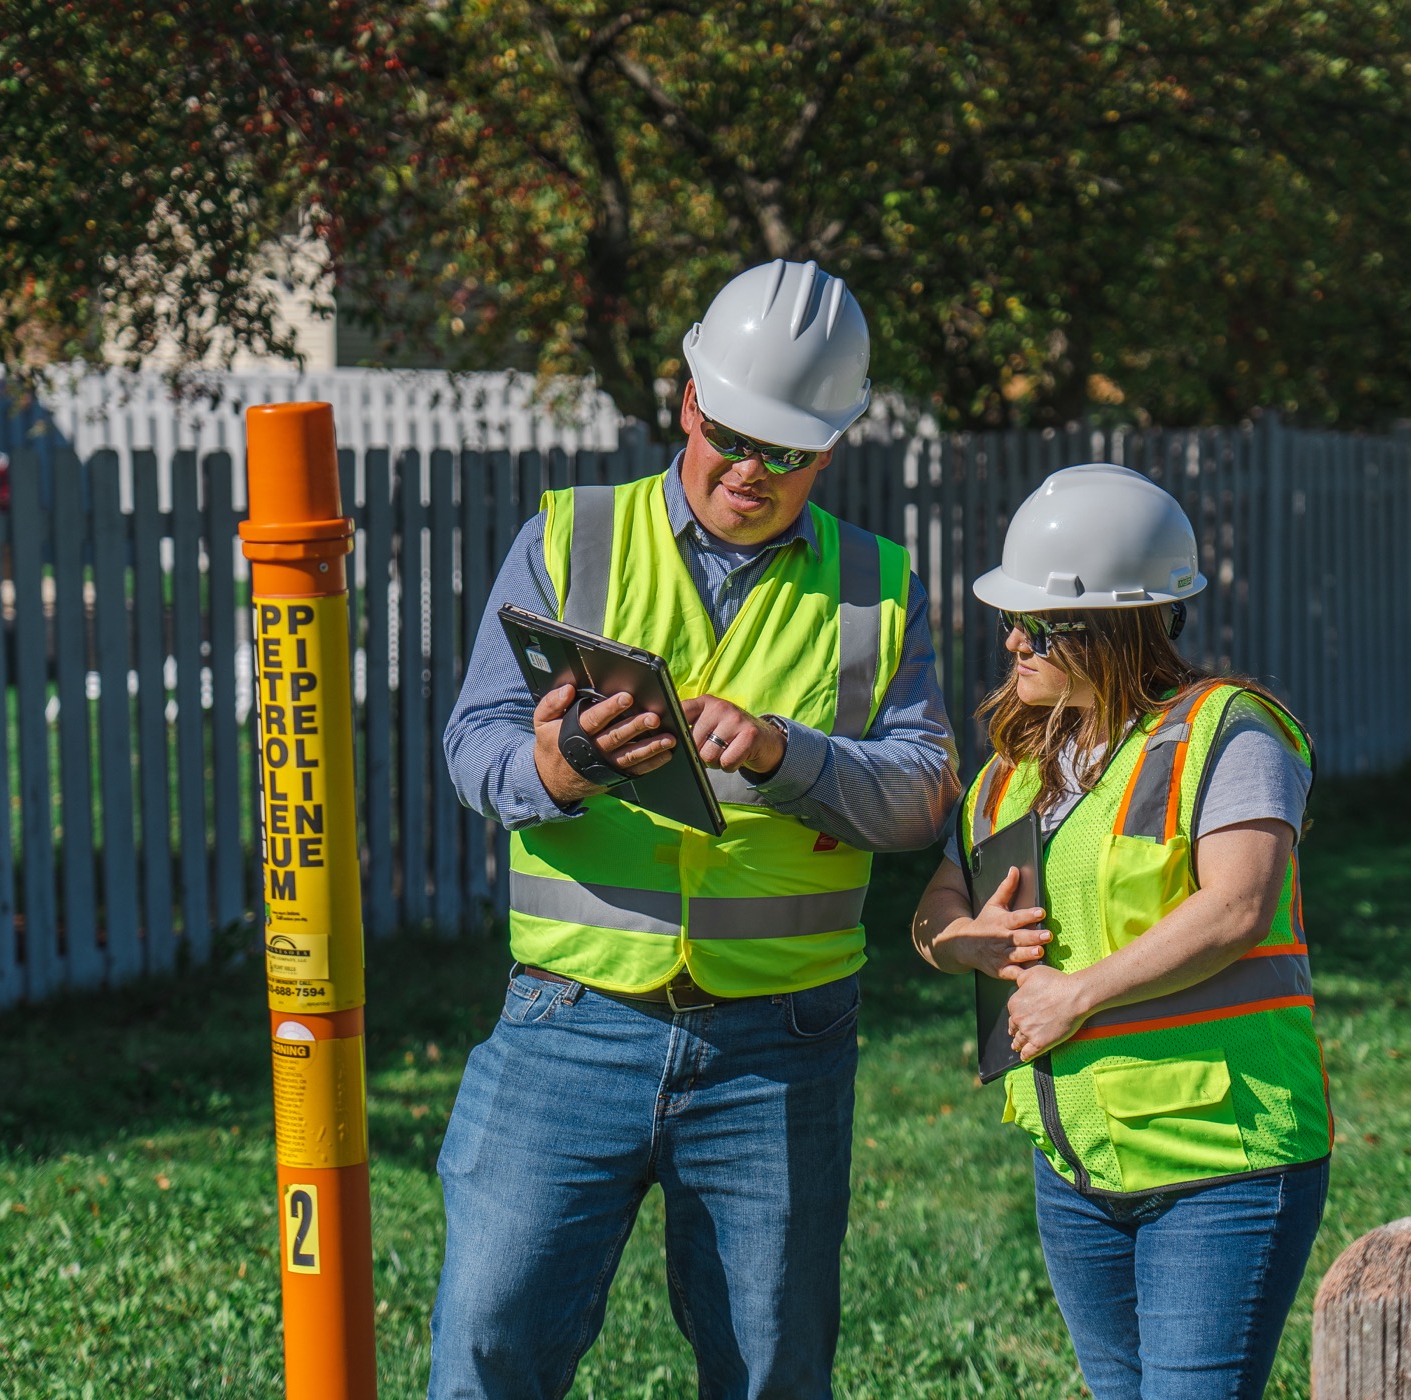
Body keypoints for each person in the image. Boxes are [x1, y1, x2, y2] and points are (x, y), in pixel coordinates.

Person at [434, 258, 960, 1399]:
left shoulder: (876, 586)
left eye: (790, 450)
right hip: (568, 1021)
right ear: (688, 400)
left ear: (835, 445)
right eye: (734, 434)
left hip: (780, 1043)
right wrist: (560, 764)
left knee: (771, 1369)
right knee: (486, 1349)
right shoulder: (571, 537)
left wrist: (786, 750)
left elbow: (923, 794)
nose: (753, 469)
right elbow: (470, 743)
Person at [909, 463, 1330, 1400]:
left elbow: (1238, 906)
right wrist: (958, 940)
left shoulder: (1228, 733)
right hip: (1076, 1166)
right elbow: (936, 908)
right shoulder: (1014, 771)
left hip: (1222, 1157)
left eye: (1038, 624)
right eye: (1009, 618)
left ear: (1113, 627)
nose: (1011, 638)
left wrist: (1080, 992)